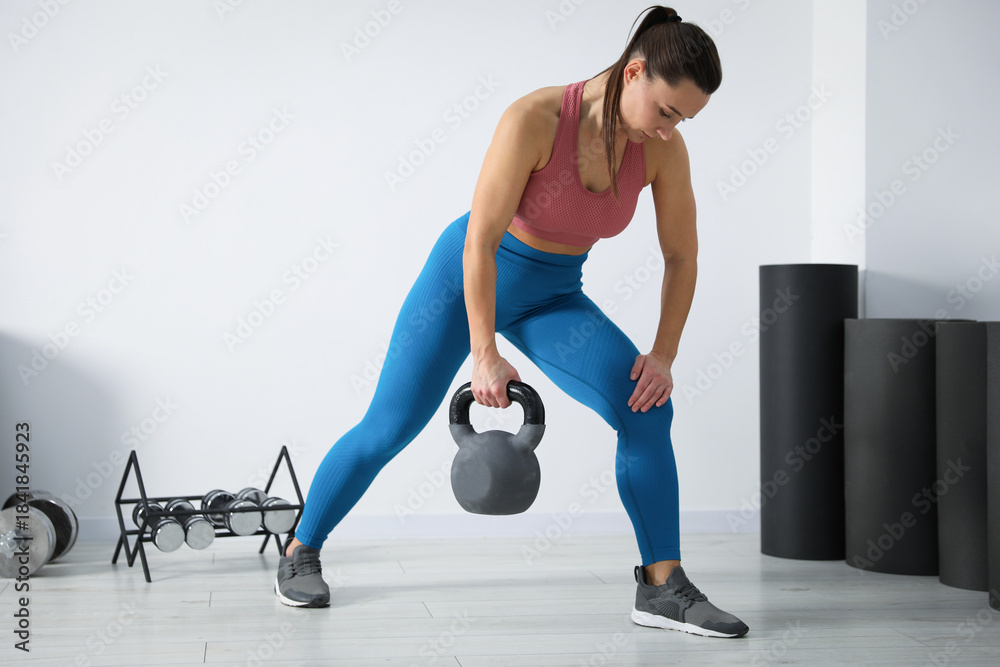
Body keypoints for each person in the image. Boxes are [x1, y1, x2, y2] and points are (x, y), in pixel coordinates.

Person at [274, 5, 749, 639]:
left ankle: (662, 588)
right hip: (465, 279)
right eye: (667, 112)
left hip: (553, 297)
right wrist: (483, 350)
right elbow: (480, 241)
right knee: (389, 427)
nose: (670, 132)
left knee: (646, 406)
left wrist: (662, 354)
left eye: (684, 120)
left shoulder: (660, 152)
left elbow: (682, 255)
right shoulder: (536, 119)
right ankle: (300, 549)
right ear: (634, 73)